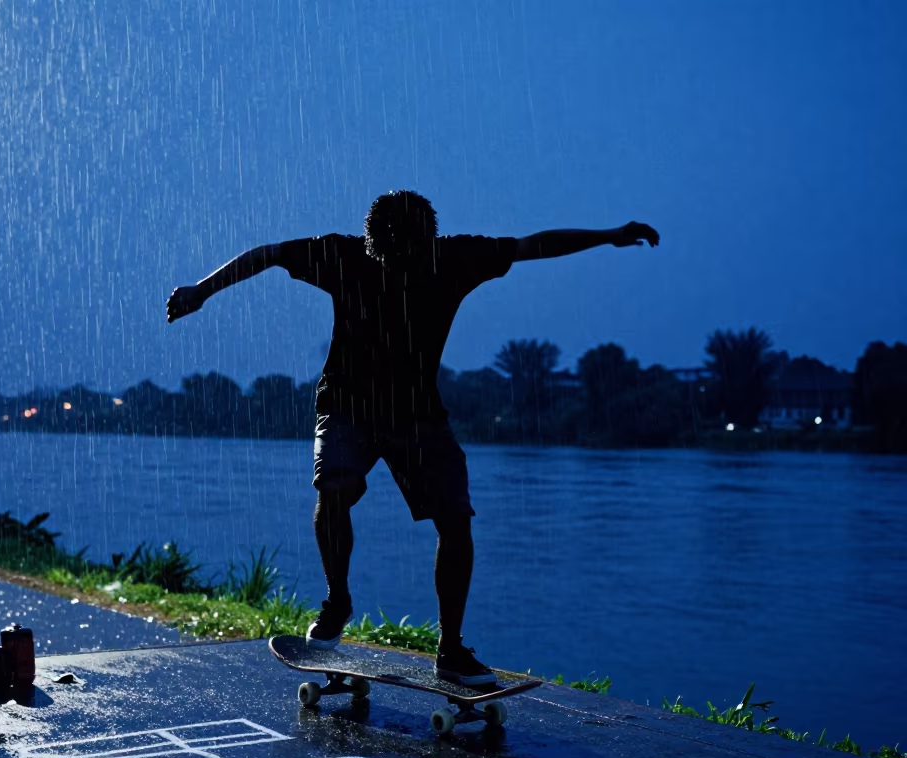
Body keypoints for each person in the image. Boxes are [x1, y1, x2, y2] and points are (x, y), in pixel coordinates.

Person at [167, 191, 658, 687]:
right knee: (333, 490)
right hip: (346, 406)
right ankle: (338, 600)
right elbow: (268, 254)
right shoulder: (342, 254)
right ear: (371, 242)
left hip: (418, 416)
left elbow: (534, 245)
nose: (399, 261)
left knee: (455, 520)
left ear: (429, 239)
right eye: (388, 251)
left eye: (410, 251)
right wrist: (202, 291)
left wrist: (609, 236)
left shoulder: (455, 257)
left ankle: (450, 647)